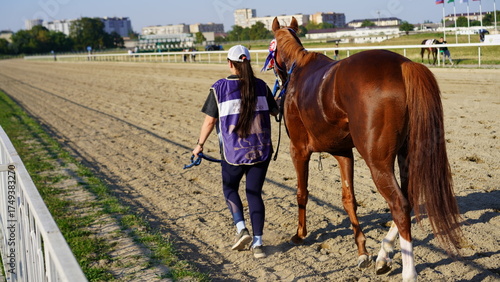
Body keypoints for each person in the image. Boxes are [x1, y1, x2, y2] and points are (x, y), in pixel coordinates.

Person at [192, 45, 279, 259]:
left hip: (233, 154)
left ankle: (241, 228)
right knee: (254, 193)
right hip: (260, 151)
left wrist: (199, 145)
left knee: (230, 188)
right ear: (247, 62)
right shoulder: (261, 86)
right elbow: (276, 111)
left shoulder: (219, 87)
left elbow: (210, 120)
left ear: (230, 63)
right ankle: (258, 244)